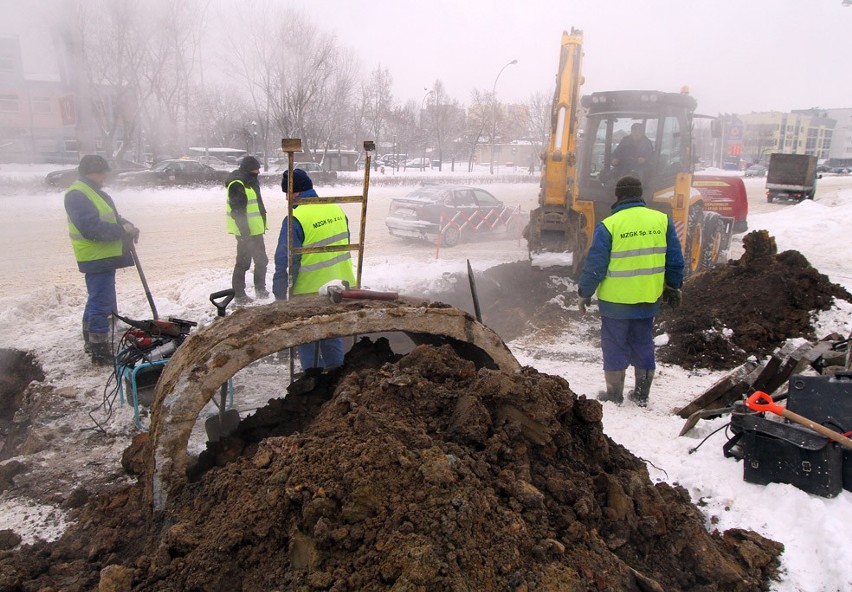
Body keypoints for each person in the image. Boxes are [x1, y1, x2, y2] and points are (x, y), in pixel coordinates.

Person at [577, 175, 684, 407]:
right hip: (647, 298)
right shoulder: (661, 221)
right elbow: (675, 260)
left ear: (618, 196)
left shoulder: (610, 225)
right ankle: (641, 394)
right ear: (640, 194)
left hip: (615, 303)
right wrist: (674, 286)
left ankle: (614, 394)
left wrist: (585, 292)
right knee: (643, 341)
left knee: (614, 343)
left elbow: (595, 265)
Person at [272, 168, 356, 371]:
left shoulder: (296, 217)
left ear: (294, 193)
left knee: (307, 339)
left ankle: (315, 382)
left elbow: (285, 260)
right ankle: (336, 378)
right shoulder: (335, 209)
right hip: (340, 289)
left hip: (308, 292)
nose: (286, 199)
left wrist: (280, 295)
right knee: (330, 333)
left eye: (286, 194)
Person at [64, 154, 140, 365]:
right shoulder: (77, 195)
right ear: (93, 172)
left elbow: (111, 217)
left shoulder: (93, 192)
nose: (106, 176)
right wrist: (120, 231)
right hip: (96, 255)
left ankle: (91, 340)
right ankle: (99, 350)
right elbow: (91, 228)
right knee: (101, 300)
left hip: (102, 256)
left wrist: (126, 225)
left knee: (97, 298)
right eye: (103, 172)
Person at [226, 155, 268, 304]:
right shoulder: (237, 184)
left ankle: (260, 289)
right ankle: (239, 295)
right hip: (246, 233)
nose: (258, 172)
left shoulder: (250, 182)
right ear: (248, 169)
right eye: (255, 169)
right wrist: (245, 234)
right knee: (243, 263)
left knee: (262, 260)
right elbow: (237, 212)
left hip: (256, 231)